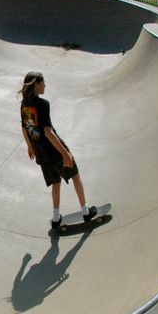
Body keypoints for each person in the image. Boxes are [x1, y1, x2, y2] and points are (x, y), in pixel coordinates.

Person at [19, 71, 96, 229]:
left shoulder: (24, 104)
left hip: (41, 154)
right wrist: (65, 153)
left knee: (55, 182)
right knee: (75, 175)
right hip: (54, 151)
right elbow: (48, 132)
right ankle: (86, 211)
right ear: (36, 84)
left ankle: (56, 218)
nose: (45, 85)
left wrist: (29, 146)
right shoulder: (43, 104)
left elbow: (24, 127)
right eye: (43, 83)